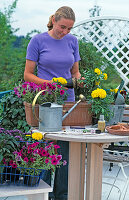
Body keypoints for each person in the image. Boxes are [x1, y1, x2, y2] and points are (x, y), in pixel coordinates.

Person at [24, 6, 81, 200]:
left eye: (69, 29)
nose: (65, 32)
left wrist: (78, 80)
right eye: (62, 27)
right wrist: (50, 84)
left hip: (68, 101)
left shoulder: (72, 41)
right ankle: (43, 193)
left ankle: (62, 195)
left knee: (65, 149)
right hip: (46, 101)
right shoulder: (38, 41)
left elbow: (75, 72)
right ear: (54, 21)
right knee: (46, 147)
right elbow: (28, 75)